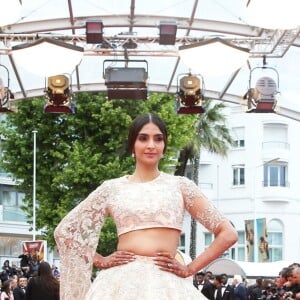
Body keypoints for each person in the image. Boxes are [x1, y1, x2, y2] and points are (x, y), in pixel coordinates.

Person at [54, 113, 238, 300]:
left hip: (168, 285)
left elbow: (228, 233)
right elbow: (64, 232)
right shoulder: (112, 188)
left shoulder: (181, 186)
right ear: (132, 145)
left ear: (164, 146)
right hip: (118, 285)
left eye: (158, 139)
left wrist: (190, 268)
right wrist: (100, 259)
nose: (151, 145)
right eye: (143, 138)